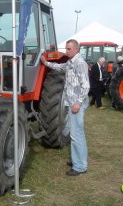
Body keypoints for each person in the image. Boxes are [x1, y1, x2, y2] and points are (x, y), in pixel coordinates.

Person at [41, 39, 90, 176]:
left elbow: (86, 86)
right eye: (66, 48)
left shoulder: (80, 64)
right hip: (71, 102)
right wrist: (45, 63)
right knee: (76, 133)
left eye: (68, 49)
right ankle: (77, 161)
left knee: (76, 135)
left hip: (76, 104)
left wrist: (78, 103)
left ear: (76, 49)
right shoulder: (70, 62)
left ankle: (80, 166)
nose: (66, 51)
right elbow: (60, 67)